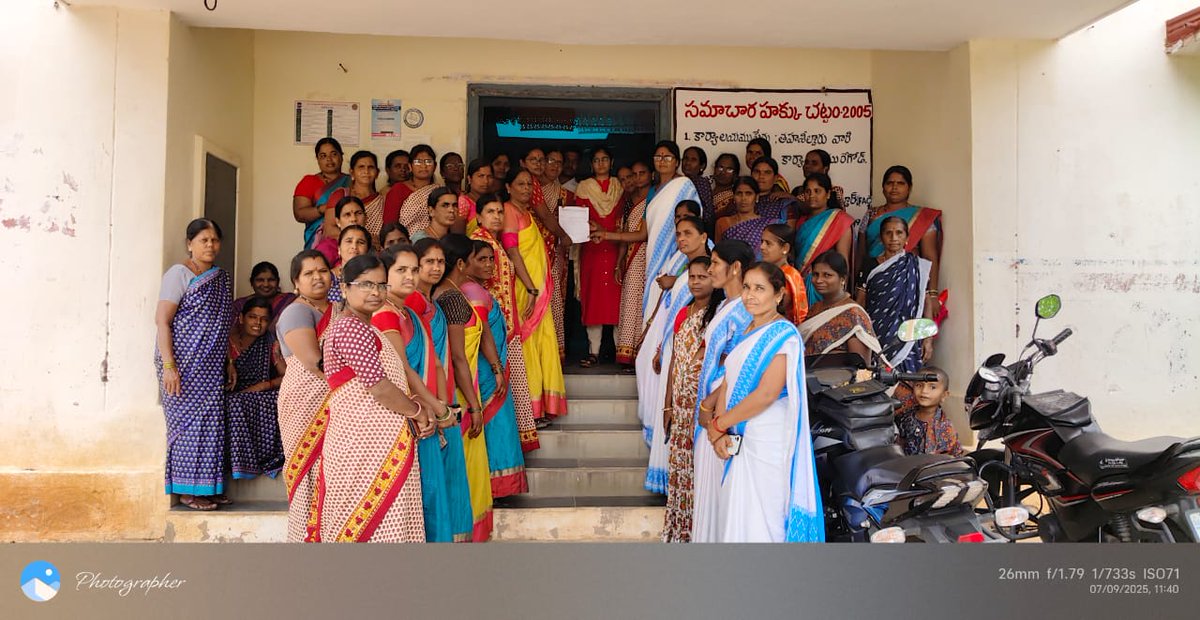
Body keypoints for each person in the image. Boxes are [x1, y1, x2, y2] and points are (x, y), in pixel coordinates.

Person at [318, 254, 434, 542]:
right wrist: (418, 411)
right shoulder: (349, 327)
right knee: (370, 528)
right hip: (362, 447)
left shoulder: (366, 327)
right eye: (366, 284)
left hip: (377, 445)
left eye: (381, 285)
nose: (375, 292)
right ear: (344, 289)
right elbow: (379, 386)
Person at [707, 262, 823, 543]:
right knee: (738, 510)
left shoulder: (784, 335)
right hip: (737, 432)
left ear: (779, 295)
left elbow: (767, 394)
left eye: (760, 289)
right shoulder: (746, 331)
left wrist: (720, 424)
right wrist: (719, 431)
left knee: (764, 514)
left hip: (767, 436)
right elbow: (728, 382)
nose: (750, 295)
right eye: (746, 287)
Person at [375, 244, 473, 543]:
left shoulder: (409, 313)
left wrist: (443, 406)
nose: (410, 276)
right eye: (401, 270)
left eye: (413, 270)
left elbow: (437, 364)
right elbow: (403, 370)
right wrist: (437, 409)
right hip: (412, 418)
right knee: (425, 496)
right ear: (384, 275)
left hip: (430, 413)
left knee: (436, 491)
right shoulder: (385, 314)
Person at [155, 218, 233, 512]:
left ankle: (208, 487)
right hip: (182, 364)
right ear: (190, 244)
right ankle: (188, 491)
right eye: (203, 240)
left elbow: (220, 325)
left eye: (214, 240)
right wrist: (169, 365)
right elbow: (162, 320)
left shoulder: (220, 278)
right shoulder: (179, 274)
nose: (210, 245)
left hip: (211, 365)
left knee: (210, 425)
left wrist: (227, 360)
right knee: (188, 428)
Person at [406, 239, 475, 542]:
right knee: (430, 483)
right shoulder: (409, 305)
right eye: (428, 262)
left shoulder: (431, 302)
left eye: (439, 261)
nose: (435, 267)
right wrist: (436, 405)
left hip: (444, 398)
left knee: (446, 481)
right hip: (428, 404)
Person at [640, 216, 709, 494]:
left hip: (691, 360)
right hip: (673, 349)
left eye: (688, 233)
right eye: (678, 234)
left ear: (703, 237)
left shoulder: (706, 268)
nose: (681, 239)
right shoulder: (682, 267)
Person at [692, 240, 755, 542]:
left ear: (736, 268)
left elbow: (738, 367)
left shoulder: (745, 309)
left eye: (715, 263)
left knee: (721, 484)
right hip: (710, 406)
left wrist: (710, 407)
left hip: (724, 409)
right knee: (709, 485)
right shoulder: (725, 305)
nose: (709, 268)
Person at [434, 234, 496, 540]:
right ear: (461, 263)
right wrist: (474, 406)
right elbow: (458, 358)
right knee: (465, 467)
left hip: (450, 390)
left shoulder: (440, 293)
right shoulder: (453, 299)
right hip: (460, 392)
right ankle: (466, 529)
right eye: (474, 257)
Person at [660, 257, 722, 543]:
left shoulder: (718, 314)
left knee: (698, 468)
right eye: (692, 277)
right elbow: (674, 359)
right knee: (680, 465)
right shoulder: (683, 313)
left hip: (702, 405)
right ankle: (679, 528)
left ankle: (697, 530)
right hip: (680, 405)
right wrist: (668, 403)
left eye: (702, 276)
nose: (696, 282)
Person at [471, 194, 540, 451]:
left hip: (506, 325)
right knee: (502, 386)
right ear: (479, 216)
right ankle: (504, 450)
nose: (497, 216)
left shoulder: (493, 242)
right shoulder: (479, 243)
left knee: (513, 384)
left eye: (500, 211)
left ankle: (512, 446)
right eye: (490, 211)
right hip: (495, 327)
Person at [462, 239, 529, 497]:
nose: (490, 264)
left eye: (491, 259)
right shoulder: (473, 292)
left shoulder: (478, 290)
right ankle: (494, 489)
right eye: (482, 259)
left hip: (492, 369)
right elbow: (482, 335)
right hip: (486, 372)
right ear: (465, 263)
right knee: (494, 428)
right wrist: (496, 368)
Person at [503, 168, 568, 422]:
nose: (526, 188)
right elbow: (512, 251)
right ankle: (529, 410)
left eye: (529, 184)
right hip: (524, 291)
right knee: (527, 347)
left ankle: (541, 407)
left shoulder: (527, 213)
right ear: (508, 187)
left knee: (541, 344)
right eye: (520, 184)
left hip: (536, 291)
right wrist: (530, 288)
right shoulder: (508, 211)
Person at [277, 249, 333, 541]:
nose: (318, 277)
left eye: (322, 270)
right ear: (296, 283)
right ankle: (304, 540)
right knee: (309, 473)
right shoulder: (297, 311)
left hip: (335, 400)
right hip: (305, 401)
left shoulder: (337, 308)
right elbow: (314, 361)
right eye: (309, 273)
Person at [858, 165, 943, 320]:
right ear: (883, 188)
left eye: (901, 183)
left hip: (905, 285)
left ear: (909, 188)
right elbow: (861, 253)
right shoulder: (870, 215)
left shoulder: (921, 217)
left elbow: (930, 256)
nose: (894, 187)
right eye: (890, 183)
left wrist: (932, 294)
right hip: (874, 281)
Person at [857, 216, 934, 370]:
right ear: (881, 237)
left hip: (908, 337)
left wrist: (928, 339)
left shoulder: (916, 266)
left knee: (907, 379)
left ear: (907, 238)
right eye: (888, 233)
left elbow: (925, 302)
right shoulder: (870, 265)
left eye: (899, 233)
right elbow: (860, 303)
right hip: (877, 334)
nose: (894, 238)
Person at [225, 297, 287, 481]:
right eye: (253, 317)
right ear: (242, 318)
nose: (258, 323)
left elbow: (288, 376)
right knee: (232, 402)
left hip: (259, 394)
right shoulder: (226, 341)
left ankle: (258, 459)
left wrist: (263, 385)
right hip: (230, 393)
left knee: (279, 398)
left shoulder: (270, 343)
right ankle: (237, 463)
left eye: (264, 319)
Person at [574, 146, 623, 368]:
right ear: (591, 164)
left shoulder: (621, 186)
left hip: (616, 249)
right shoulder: (583, 188)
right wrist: (589, 228)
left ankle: (620, 352)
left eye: (605, 159)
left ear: (612, 162)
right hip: (592, 250)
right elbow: (577, 219)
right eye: (596, 160)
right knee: (594, 301)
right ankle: (593, 352)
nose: (601, 164)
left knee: (617, 302)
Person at [799, 251, 880, 364]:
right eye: (816, 274)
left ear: (843, 279)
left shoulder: (854, 314)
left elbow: (860, 367)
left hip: (837, 380)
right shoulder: (814, 308)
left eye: (827, 275)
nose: (819, 280)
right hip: (808, 378)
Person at [532, 147, 574, 359]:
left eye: (559, 162)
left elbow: (573, 223)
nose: (555, 166)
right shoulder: (529, 188)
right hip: (531, 252)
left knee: (554, 298)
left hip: (555, 253)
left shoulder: (566, 194)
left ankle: (554, 352)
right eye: (551, 160)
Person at [611, 160, 651, 368]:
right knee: (629, 304)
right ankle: (627, 353)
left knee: (644, 306)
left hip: (647, 256)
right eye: (630, 176)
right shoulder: (627, 203)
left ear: (651, 175)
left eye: (640, 173)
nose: (636, 179)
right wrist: (619, 263)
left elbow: (641, 234)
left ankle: (641, 352)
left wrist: (606, 234)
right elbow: (625, 235)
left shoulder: (654, 199)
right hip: (630, 258)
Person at [794, 172, 854, 306]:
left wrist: (841, 294)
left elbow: (843, 260)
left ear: (827, 194)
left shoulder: (840, 220)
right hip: (800, 284)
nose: (812, 196)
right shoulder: (801, 221)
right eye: (808, 191)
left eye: (817, 191)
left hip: (824, 285)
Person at [293, 137, 350, 251]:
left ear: (341, 156)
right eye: (323, 156)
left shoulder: (351, 181)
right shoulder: (309, 181)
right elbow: (299, 214)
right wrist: (324, 209)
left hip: (348, 242)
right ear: (318, 159)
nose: (329, 159)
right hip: (317, 243)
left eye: (333, 154)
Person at [895, 367, 963, 457]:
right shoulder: (905, 416)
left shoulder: (945, 428)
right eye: (919, 385)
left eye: (932, 387)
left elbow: (953, 459)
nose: (924, 391)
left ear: (944, 395)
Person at [325, 150, 391, 242]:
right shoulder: (341, 195)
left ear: (377, 173)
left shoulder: (383, 200)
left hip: (374, 251)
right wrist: (361, 239)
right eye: (361, 167)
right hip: (343, 249)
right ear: (352, 172)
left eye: (371, 167)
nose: (366, 171)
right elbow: (329, 230)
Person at [760, 223, 808, 325]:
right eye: (762, 241)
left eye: (768, 243)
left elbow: (777, 310)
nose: (762, 247)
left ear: (785, 248)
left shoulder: (789, 276)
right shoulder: (768, 271)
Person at [387, 144, 441, 233]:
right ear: (410, 166)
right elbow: (390, 224)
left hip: (434, 242)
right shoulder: (398, 190)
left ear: (435, 166)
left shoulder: (439, 191)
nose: (423, 166)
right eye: (418, 162)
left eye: (428, 162)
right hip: (404, 243)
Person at [231, 261, 296, 328]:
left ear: (278, 281)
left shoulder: (289, 301)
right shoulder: (240, 305)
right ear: (251, 282)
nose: (266, 284)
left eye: (271, 280)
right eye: (260, 280)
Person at [715, 176, 767, 252]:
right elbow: (718, 253)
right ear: (733, 197)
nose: (743, 198)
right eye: (739, 193)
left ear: (757, 197)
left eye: (748, 193)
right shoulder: (722, 223)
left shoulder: (766, 224)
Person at [315, 195, 368, 267]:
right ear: (338, 222)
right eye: (347, 214)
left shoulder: (374, 244)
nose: (353, 219)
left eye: (358, 213)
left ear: (366, 218)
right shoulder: (327, 248)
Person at [327, 225, 372, 304]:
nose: (354, 246)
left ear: (367, 251)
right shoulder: (328, 278)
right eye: (349, 241)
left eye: (361, 242)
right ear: (339, 248)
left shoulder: (374, 279)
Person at [752, 158, 801, 227]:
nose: (761, 176)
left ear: (775, 178)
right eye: (757, 171)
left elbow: (789, 233)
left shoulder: (786, 204)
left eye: (767, 172)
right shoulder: (740, 200)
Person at [454, 158, 494, 236]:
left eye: (489, 176)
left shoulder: (494, 202)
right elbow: (458, 237)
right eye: (481, 176)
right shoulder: (463, 202)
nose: (486, 181)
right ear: (469, 179)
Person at [682, 146, 715, 233]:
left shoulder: (701, 183)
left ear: (702, 166)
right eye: (685, 158)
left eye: (693, 160)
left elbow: (707, 213)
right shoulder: (679, 181)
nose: (688, 163)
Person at [710, 153, 740, 219]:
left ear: (735, 175)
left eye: (729, 170)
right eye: (720, 168)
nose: (723, 172)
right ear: (714, 169)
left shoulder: (733, 200)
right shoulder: (706, 191)